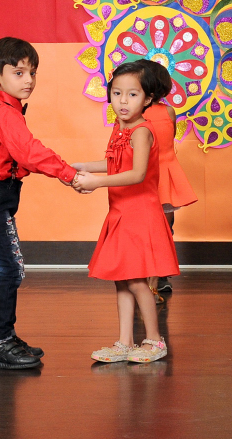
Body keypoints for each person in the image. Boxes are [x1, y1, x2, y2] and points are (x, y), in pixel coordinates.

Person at [0, 37, 82, 369]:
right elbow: (29, 152)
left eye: (32, 72)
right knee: (10, 270)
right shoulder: (4, 112)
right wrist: (68, 174)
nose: (28, 80)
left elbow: (20, 158)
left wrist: (67, 169)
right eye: (19, 72)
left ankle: (4, 336)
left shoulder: (8, 111)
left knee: (11, 269)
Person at [73, 61, 179, 364]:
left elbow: (137, 174)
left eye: (132, 94)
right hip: (120, 211)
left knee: (135, 279)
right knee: (121, 279)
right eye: (117, 93)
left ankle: (155, 341)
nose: (122, 101)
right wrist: (82, 167)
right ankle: (124, 342)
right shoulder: (119, 130)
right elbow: (114, 165)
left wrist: (96, 182)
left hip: (139, 214)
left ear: (147, 99)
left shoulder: (142, 132)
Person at [134, 60, 198, 300]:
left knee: (145, 229)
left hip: (145, 175)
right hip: (165, 174)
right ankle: (161, 277)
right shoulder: (169, 111)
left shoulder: (135, 113)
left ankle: (146, 277)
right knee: (165, 228)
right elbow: (169, 138)